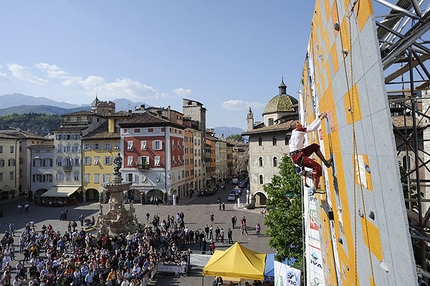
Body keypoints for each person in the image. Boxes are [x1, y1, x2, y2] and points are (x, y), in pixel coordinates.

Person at [289, 112, 333, 194]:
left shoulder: (295, 131)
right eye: (298, 122)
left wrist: (317, 118)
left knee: (314, 147)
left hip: (298, 154)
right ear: (296, 126)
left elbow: (309, 127)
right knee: (317, 167)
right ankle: (315, 188)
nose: (300, 123)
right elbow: (313, 128)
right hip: (298, 157)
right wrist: (321, 119)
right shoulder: (298, 130)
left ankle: (326, 162)